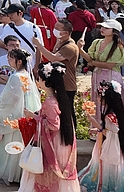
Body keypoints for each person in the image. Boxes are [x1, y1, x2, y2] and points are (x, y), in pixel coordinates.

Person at [0, 48, 42, 185]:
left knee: (11, 144)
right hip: (23, 114)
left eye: (11, 58)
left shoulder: (16, 77)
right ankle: (19, 174)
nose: (8, 60)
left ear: (19, 61)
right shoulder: (25, 75)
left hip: (14, 114)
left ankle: (9, 174)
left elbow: (9, 99)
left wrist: (3, 113)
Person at [18, 61, 78, 192]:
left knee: (49, 176)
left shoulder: (50, 102)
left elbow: (53, 125)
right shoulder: (58, 99)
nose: (37, 82)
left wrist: (33, 116)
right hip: (59, 142)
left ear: (46, 82)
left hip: (53, 143)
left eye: (39, 79)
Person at [77, 81, 124, 192]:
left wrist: (94, 123)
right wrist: (98, 129)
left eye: (98, 95)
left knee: (105, 169)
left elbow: (111, 134)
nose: (97, 98)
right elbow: (109, 131)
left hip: (109, 147)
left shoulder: (110, 116)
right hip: (112, 146)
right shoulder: (116, 113)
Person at [81, 20, 124, 114]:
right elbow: (89, 57)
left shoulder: (117, 46)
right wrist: (80, 49)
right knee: (98, 99)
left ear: (114, 31)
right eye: (102, 27)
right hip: (98, 74)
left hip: (111, 76)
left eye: (106, 28)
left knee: (111, 100)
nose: (102, 29)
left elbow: (110, 65)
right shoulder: (97, 42)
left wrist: (92, 62)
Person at [33, 20, 80, 112]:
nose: (55, 30)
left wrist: (39, 45)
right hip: (58, 81)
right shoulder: (60, 42)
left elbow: (53, 58)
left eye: (58, 29)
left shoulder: (70, 47)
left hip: (67, 84)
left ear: (66, 33)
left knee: (67, 112)